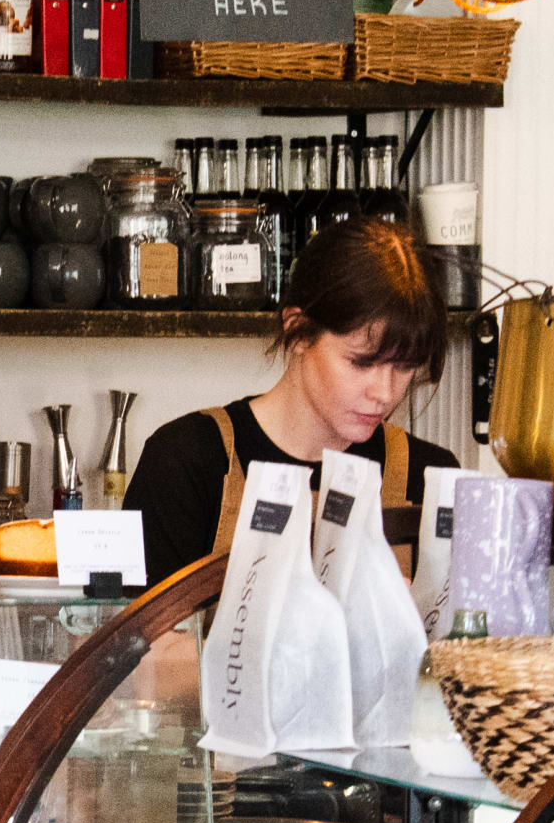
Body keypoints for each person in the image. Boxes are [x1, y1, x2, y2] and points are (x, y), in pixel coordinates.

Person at [128, 218, 459, 584]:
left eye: (403, 367)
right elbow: (140, 638)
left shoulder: (429, 476)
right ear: (297, 330)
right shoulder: (185, 463)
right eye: (361, 362)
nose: (383, 392)